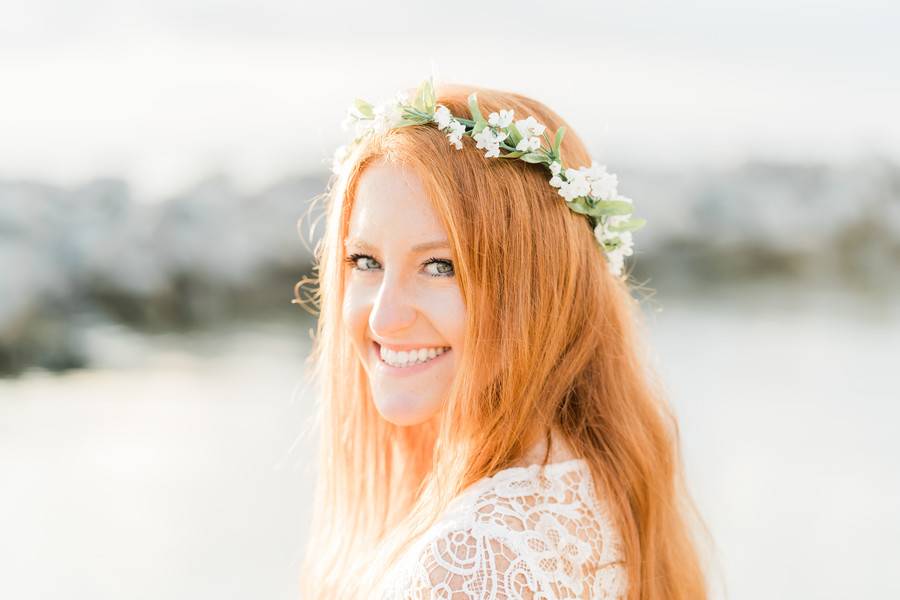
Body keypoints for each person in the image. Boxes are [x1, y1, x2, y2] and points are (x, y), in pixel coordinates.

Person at [294, 78, 711, 599]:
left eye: (440, 266)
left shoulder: (469, 561)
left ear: (537, 288)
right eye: (366, 262)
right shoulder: (593, 484)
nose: (385, 317)